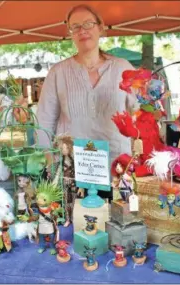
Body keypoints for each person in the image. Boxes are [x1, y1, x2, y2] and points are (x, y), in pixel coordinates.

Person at [36, 4, 137, 200]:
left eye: (88, 24)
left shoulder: (122, 68)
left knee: (119, 225)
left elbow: (139, 113)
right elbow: (44, 121)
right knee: (79, 225)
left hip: (117, 168)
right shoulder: (58, 72)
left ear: (100, 27)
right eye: (75, 27)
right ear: (70, 33)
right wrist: (50, 165)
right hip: (73, 171)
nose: (82, 30)